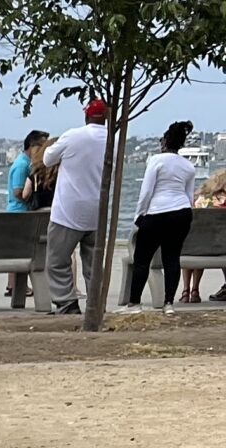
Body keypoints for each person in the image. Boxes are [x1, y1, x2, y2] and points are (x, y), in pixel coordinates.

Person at [40, 99, 113, 314]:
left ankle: (66, 301)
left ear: (87, 115)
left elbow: (47, 159)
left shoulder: (73, 136)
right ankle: (96, 302)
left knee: (57, 260)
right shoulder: (113, 139)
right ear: (106, 117)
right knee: (93, 262)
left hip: (68, 210)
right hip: (98, 210)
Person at [125, 119, 199, 307]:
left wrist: (139, 215)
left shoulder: (156, 160)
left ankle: (134, 303)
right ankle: (169, 304)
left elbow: (146, 192)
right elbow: (189, 196)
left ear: (165, 142)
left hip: (157, 212)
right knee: (172, 258)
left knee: (142, 259)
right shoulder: (188, 166)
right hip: (181, 213)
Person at [5, 128, 51, 301]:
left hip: (19, 212)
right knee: (24, 251)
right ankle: (15, 285)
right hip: (20, 213)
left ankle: (14, 285)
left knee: (17, 251)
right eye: (42, 146)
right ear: (32, 146)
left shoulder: (26, 163)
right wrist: (34, 197)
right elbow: (18, 191)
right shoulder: (23, 165)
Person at [181, 159, 226, 303]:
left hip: (195, 248)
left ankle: (187, 290)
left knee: (195, 243)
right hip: (221, 248)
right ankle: (194, 290)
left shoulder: (199, 200)